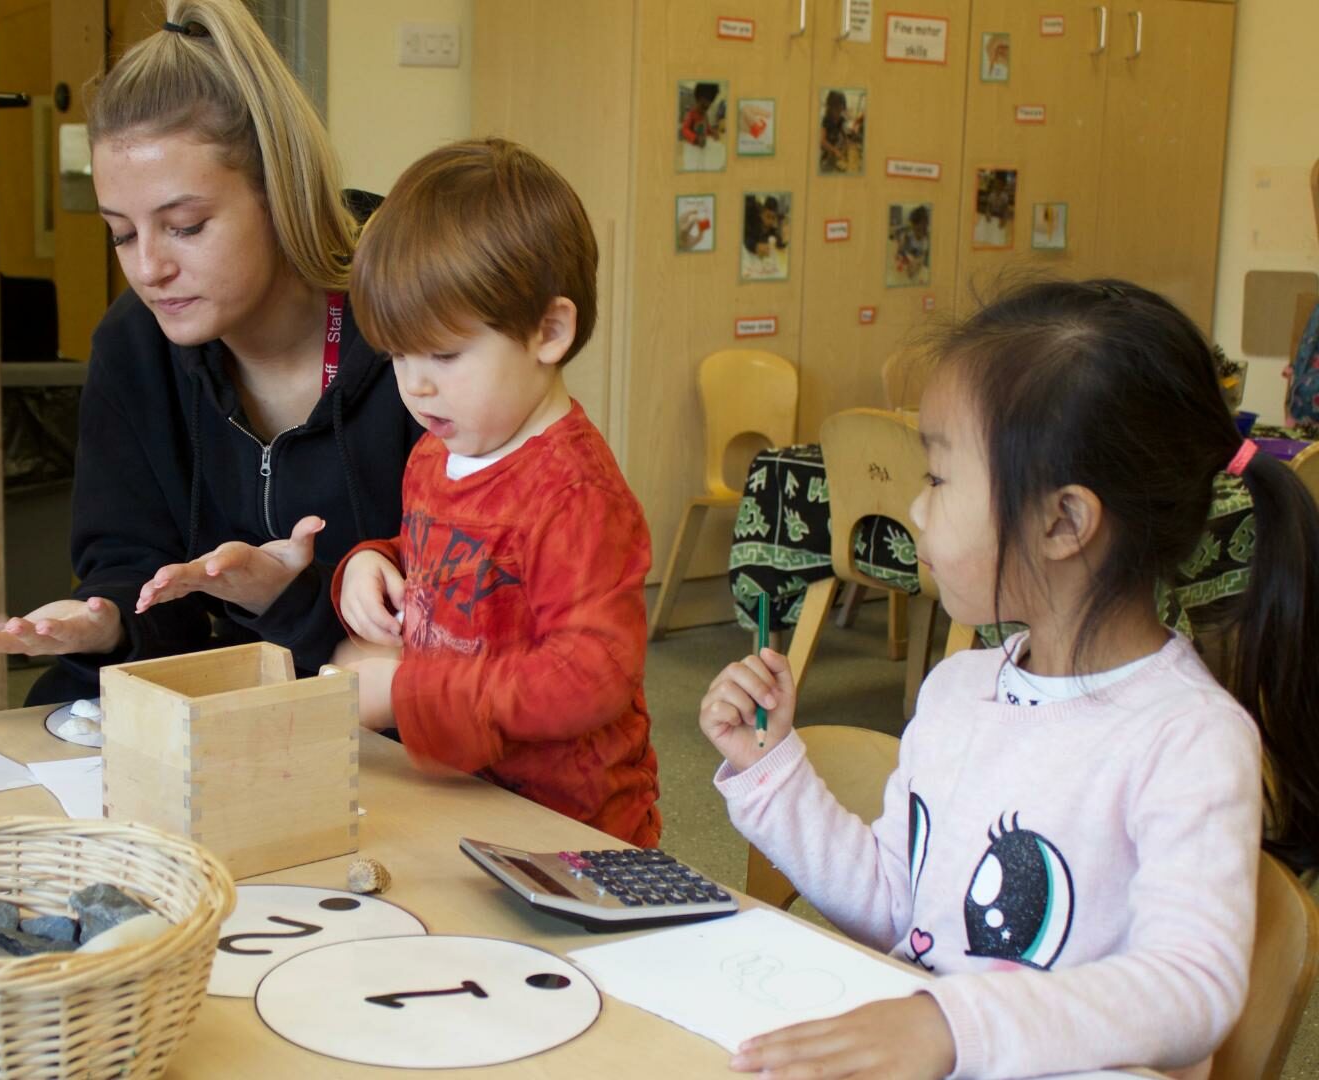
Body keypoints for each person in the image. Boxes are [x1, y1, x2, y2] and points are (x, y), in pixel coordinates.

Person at [699, 279, 1319, 1079]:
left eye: (940, 479)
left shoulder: (1189, 737)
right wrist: (770, 770)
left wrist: (952, 1026)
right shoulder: (960, 691)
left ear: (1063, 521)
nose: (916, 512)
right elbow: (899, 910)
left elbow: (1189, 987)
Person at [0, 0, 420, 705]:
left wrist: (288, 601)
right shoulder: (132, 346)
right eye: (120, 233)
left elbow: (471, 626)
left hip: (407, 718)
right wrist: (105, 621)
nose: (148, 269)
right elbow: (130, 565)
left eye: (186, 226)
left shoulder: (418, 311)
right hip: (226, 726)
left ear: (278, 191)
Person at [332, 138, 661, 847]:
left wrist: (405, 697)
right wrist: (371, 563)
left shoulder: (575, 497)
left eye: (445, 356)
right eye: (397, 355)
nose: (415, 385)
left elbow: (590, 677)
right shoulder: (438, 451)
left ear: (549, 331)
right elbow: (452, 559)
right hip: (464, 802)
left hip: (571, 831)